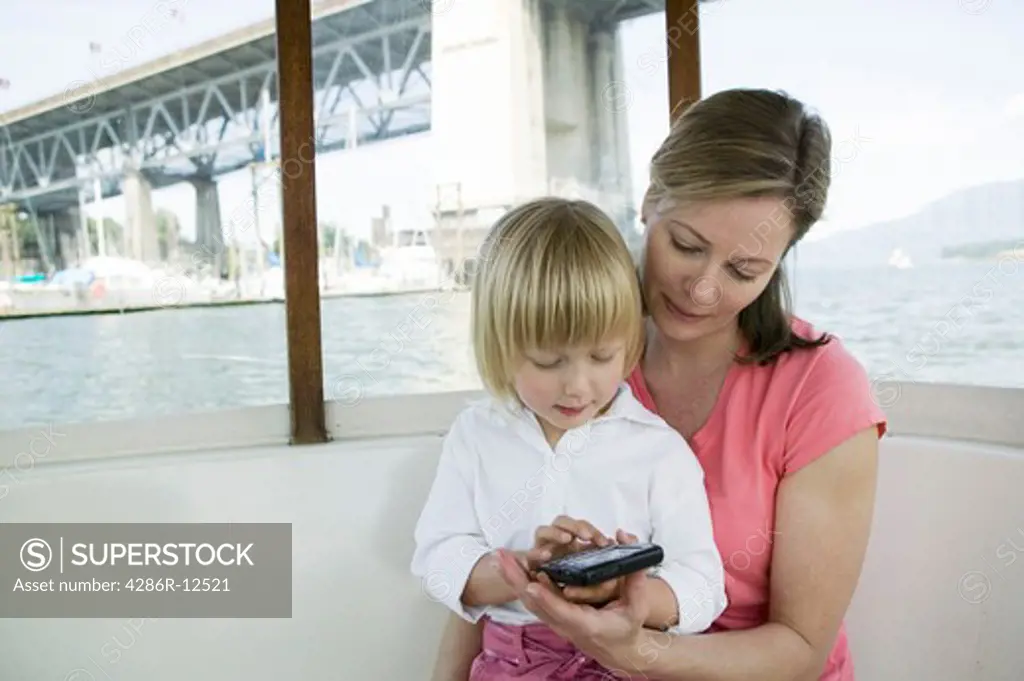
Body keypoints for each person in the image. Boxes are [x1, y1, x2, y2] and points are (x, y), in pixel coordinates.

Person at [429, 88, 888, 681]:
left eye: (745, 270)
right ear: (649, 202)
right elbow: (484, 572)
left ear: (783, 259)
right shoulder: (577, 354)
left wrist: (632, 647)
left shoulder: (821, 391)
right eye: (686, 246)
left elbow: (801, 650)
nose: (702, 290)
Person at [410, 197, 729, 680]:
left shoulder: (658, 452)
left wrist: (623, 594)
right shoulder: (476, 436)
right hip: (510, 665)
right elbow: (437, 559)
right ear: (501, 346)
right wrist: (522, 572)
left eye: (601, 357)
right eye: (548, 362)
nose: (578, 386)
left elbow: (703, 587)